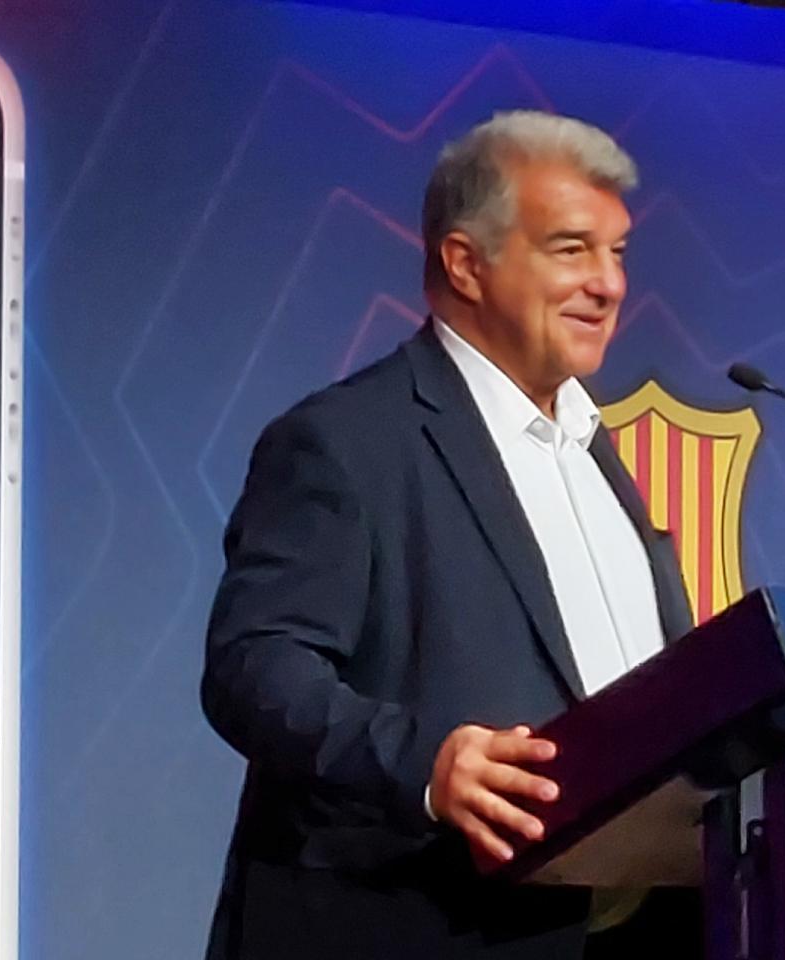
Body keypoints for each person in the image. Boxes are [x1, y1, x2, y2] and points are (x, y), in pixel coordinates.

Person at [200, 110, 694, 959]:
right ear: (466, 263)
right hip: (415, 925)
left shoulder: (594, 450)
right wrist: (426, 766)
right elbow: (256, 667)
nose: (609, 285)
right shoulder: (345, 443)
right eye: (572, 249)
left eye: (617, 254)